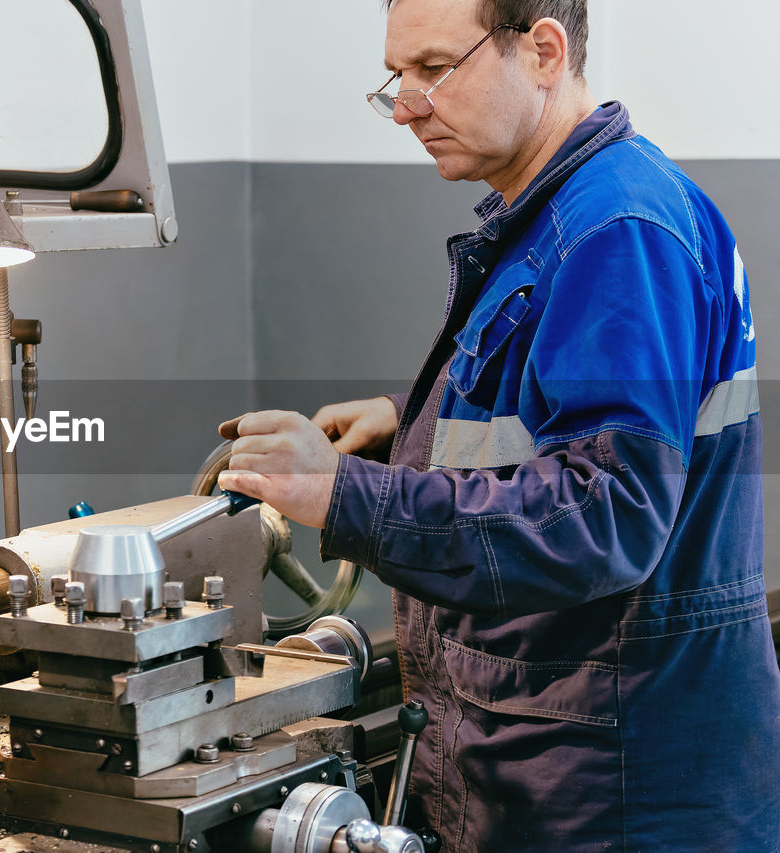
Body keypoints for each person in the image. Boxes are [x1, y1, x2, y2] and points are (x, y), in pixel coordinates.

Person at [217, 0, 780, 850]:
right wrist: (412, 425)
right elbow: (564, 417)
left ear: (543, 51)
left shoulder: (616, 231)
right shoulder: (574, 211)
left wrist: (347, 495)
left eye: (435, 70)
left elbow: (606, 513)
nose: (405, 106)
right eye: (395, 79)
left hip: (614, 791)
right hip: (572, 762)